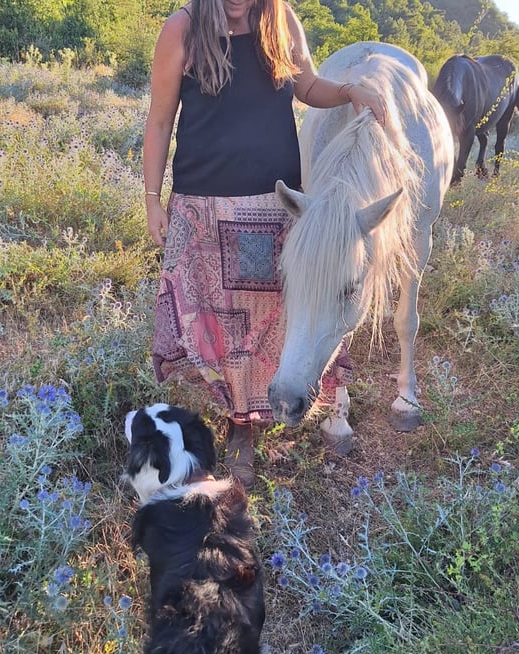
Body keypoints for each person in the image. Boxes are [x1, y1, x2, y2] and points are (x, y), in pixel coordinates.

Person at [143, 0, 385, 488]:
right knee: (218, 325)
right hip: (203, 206)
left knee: (267, 322)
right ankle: (239, 427)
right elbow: (160, 120)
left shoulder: (281, 19)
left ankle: (268, 410)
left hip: (274, 205)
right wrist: (152, 198)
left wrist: (350, 91)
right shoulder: (182, 30)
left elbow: (308, 86)